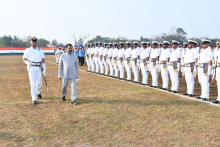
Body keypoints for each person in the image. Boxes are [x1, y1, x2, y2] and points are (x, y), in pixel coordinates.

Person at [23, 36, 46, 105]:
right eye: (32, 41)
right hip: (31, 68)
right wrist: (28, 63)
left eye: (35, 41)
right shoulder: (28, 50)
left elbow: (43, 60)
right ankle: (34, 99)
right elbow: (24, 58)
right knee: (32, 84)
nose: (34, 42)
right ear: (31, 42)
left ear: (36, 42)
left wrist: (44, 68)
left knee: (39, 83)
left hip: (39, 67)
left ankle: (38, 92)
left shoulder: (40, 50)